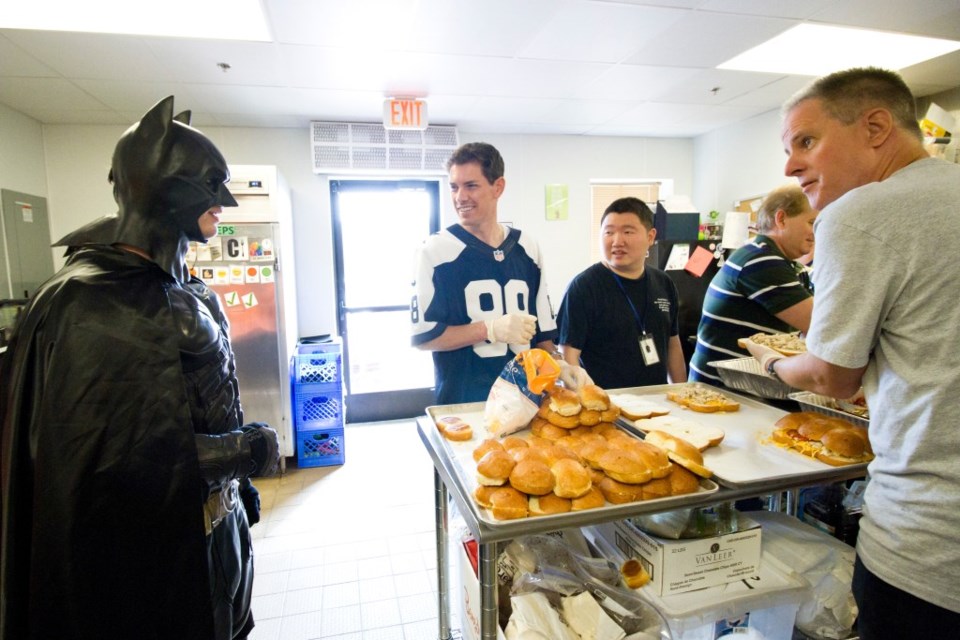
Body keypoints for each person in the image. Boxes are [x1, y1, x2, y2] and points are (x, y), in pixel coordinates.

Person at [0, 96, 280, 640]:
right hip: (153, 557)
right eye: (209, 186)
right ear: (165, 188)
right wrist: (240, 452)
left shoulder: (182, 287)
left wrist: (237, 478)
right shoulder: (86, 303)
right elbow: (116, 456)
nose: (223, 201)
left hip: (219, 531)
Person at [745, 67, 960, 638]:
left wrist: (771, 363)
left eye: (807, 142)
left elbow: (832, 376)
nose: (790, 167)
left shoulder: (861, 214)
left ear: (875, 127)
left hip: (929, 544)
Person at [411, 142, 577, 405]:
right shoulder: (435, 251)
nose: (460, 197)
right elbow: (425, 337)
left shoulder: (528, 248)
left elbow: (543, 334)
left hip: (527, 399)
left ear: (498, 187)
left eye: (471, 186)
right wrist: (489, 329)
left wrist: (561, 365)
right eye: (454, 187)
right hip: (465, 402)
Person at [688, 183, 816, 384]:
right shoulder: (762, 261)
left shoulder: (769, 257)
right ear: (781, 219)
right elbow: (821, 325)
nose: (816, 232)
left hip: (735, 387)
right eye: (811, 222)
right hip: (725, 391)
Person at [557, 196, 686, 389]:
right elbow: (569, 355)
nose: (617, 241)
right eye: (609, 232)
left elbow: (672, 344)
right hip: (606, 406)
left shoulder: (663, 282)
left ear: (650, 237)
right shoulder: (584, 287)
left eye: (627, 232)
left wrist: (681, 392)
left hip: (658, 403)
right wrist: (584, 402)